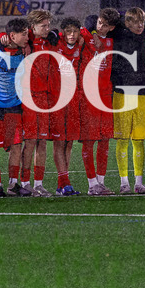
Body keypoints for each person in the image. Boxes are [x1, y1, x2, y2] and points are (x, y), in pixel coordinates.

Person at [105, 7, 145, 195]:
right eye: (136, 22)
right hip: (121, 92)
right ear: (127, 23)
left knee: (138, 140)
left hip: (142, 93)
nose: (140, 25)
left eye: (142, 22)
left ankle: (139, 183)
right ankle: (124, 182)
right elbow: (95, 24)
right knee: (122, 139)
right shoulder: (117, 33)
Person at [0, 19, 31, 197]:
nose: (28, 37)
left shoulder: (25, 49)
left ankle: (13, 184)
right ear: (12, 35)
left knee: (16, 145)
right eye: (24, 34)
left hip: (14, 104)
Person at [78, 11, 118, 195]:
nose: (101, 26)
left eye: (105, 25)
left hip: (106, 96)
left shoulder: (113, 40)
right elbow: (79, 27)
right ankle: (91, 183)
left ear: (112, 28)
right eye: (99, 22)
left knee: (104, 140)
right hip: (88, 96)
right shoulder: (86, 35)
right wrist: (93, 33)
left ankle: (100, 183)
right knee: (89, 140)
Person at [20, 9, 57, 197]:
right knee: (30, 141)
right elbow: (3, 35)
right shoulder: (25, 42)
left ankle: (39, 184)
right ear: (32, 27)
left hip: (44, 98)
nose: (47, 29)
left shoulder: (48, 42)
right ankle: (25, 183)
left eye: (48, 25)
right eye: (43, 26)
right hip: (28, 97)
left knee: (42, 141)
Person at [49, 17, 88, 196]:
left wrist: (86, 34)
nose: (72, 35)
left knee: (69, 143)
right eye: (68, 31)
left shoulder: (81, 44)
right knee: (59, 142)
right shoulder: (55, 43)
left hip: (73, 100)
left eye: (75, 31)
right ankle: (65, 183)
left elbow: (90, 31)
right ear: (63, 32)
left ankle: (61, 186)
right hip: (57, 101)